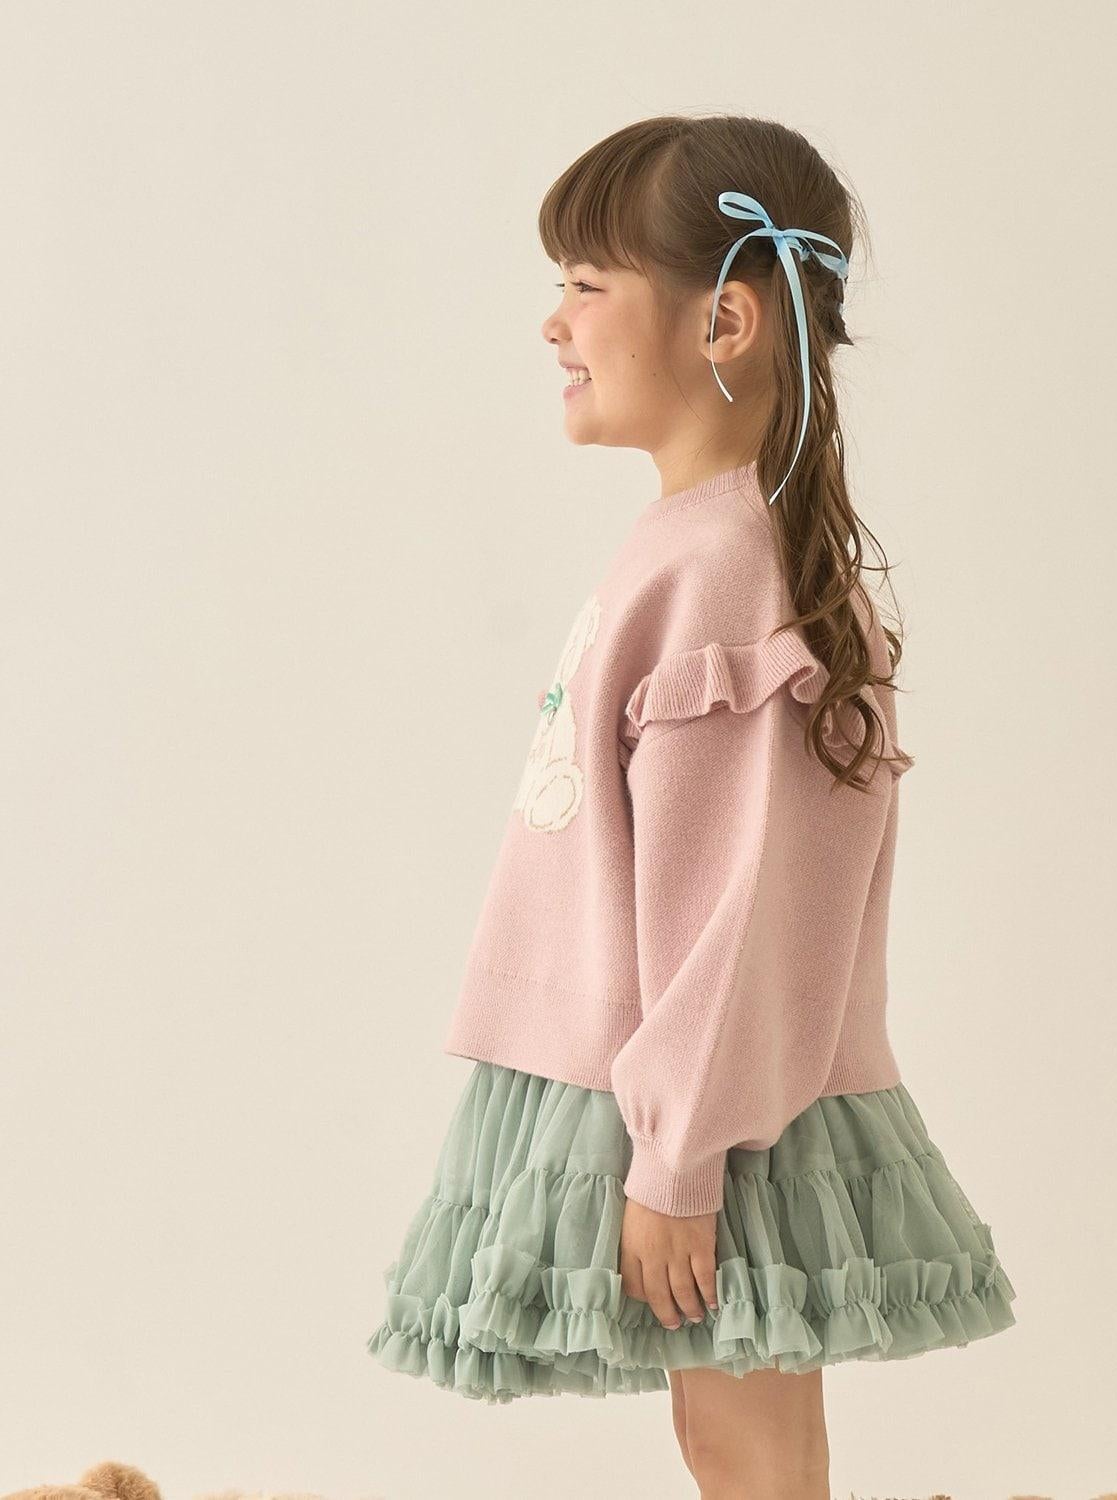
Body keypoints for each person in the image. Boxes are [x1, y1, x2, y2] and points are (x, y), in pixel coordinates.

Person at [366, 113, 1017, 1499]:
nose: (553, 323)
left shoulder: (725, 574)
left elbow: (737, 905)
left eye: (585, 284)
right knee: (729, 1430)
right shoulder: (697, 553)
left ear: (722, 320)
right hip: (689, 1089)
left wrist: (677, 1160)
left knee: (743, 1436)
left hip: (712, 1108)